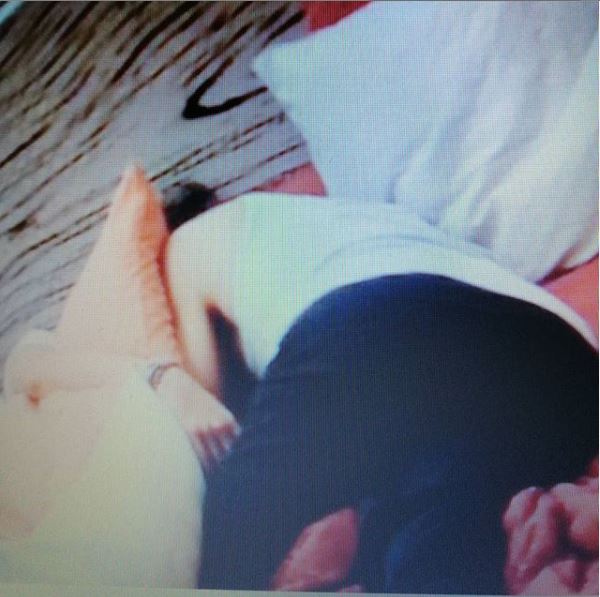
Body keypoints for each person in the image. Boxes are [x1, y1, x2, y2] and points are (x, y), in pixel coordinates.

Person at [162, 189, 598, 593]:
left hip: (371, 324)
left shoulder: (187, 241)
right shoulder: (366, 212)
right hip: (564, 361)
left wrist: (165, 378)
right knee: (427, 544)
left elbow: (208, 412)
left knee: (223, 555)